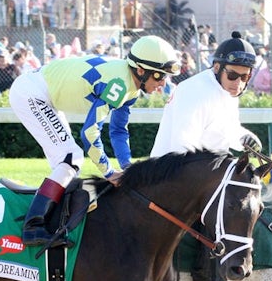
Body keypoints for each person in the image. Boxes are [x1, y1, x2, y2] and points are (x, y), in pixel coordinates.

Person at [9, 34, 180, 247]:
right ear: (140, 70)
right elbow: (89, 133)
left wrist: (127, 168)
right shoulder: (119, 84)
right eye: (159, 76)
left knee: (67, 167)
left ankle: (54, 222)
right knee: (70, 159)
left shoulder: (131, 87)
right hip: (32, 93)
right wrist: (108, 172)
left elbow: (118, 131)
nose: (163, 84)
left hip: (40, 92)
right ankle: (33, 227)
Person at [150, 31, 262, 281]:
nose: (238, 83)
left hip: (202, 174)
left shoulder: (224, 92)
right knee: (220, 216)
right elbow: (183, 149)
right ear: (216, 67)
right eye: (233, 75)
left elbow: (227, 131)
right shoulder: (194, 92)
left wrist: (245, 137)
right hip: (173, 175)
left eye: (245, 77)